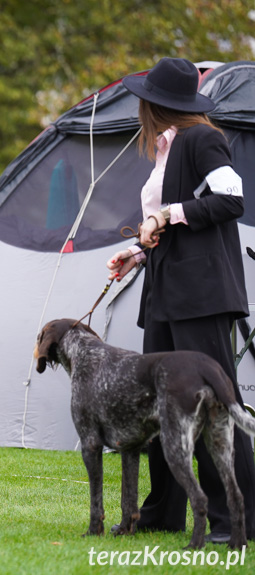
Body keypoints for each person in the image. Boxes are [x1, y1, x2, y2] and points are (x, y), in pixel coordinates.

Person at [106, 57, 255, 543]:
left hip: (203, 297)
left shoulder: (202, 139)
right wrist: (136, 251)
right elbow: (170, 227)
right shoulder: (168, 149)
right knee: (161, 406)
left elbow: (231, 200)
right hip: (167, 294)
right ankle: (163, 511)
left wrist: (167, 215)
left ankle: (236, 518)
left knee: (213, 406)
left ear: (155, 103)